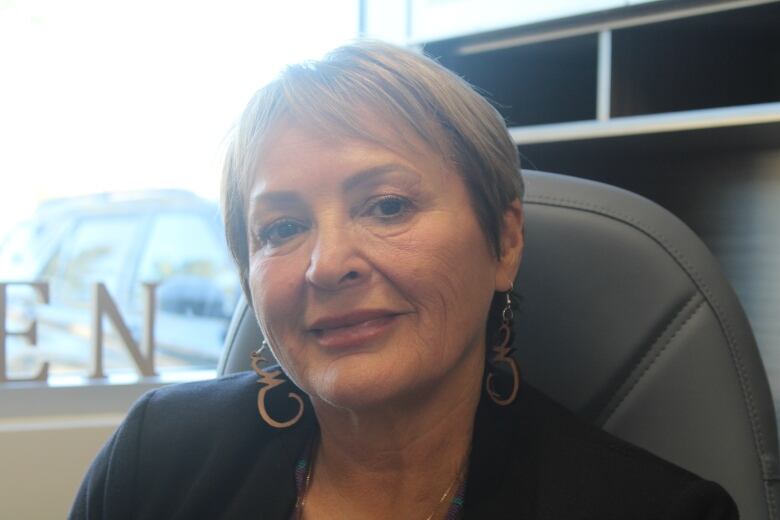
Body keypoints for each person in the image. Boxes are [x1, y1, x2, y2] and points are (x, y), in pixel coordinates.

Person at [70, 41, 738, 519]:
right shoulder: (155, 457)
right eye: (280, 228)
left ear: (505, 242)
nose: (327, 264)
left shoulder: (657, 510)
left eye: (387, 206)